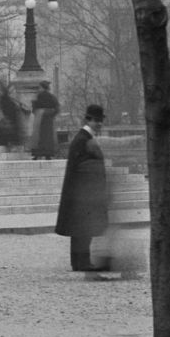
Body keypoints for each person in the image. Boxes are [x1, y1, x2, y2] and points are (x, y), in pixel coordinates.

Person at [55, 103, 114, 277]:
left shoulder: (83, 138)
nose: (99, 124)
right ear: (88, 120)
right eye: (96, 120)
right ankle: (82, 262)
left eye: (100, 120)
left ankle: (79, 261)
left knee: (80, 229)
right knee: (83, 229)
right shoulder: (83, 140)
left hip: (81, 191)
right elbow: (84, 168)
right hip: (84, 191)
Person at [30, 83, 61, 159]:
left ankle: (37, 155)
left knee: (38, 136)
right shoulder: (52, 97)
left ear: (43, 88)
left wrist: (38, 112)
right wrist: (52, 114)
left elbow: (34, 108)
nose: (39, 89)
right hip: (49, 118)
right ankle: (48, 154)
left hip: (40, 117)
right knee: (48, 136)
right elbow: (57, 108)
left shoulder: (38, 96)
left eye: (40, 87)